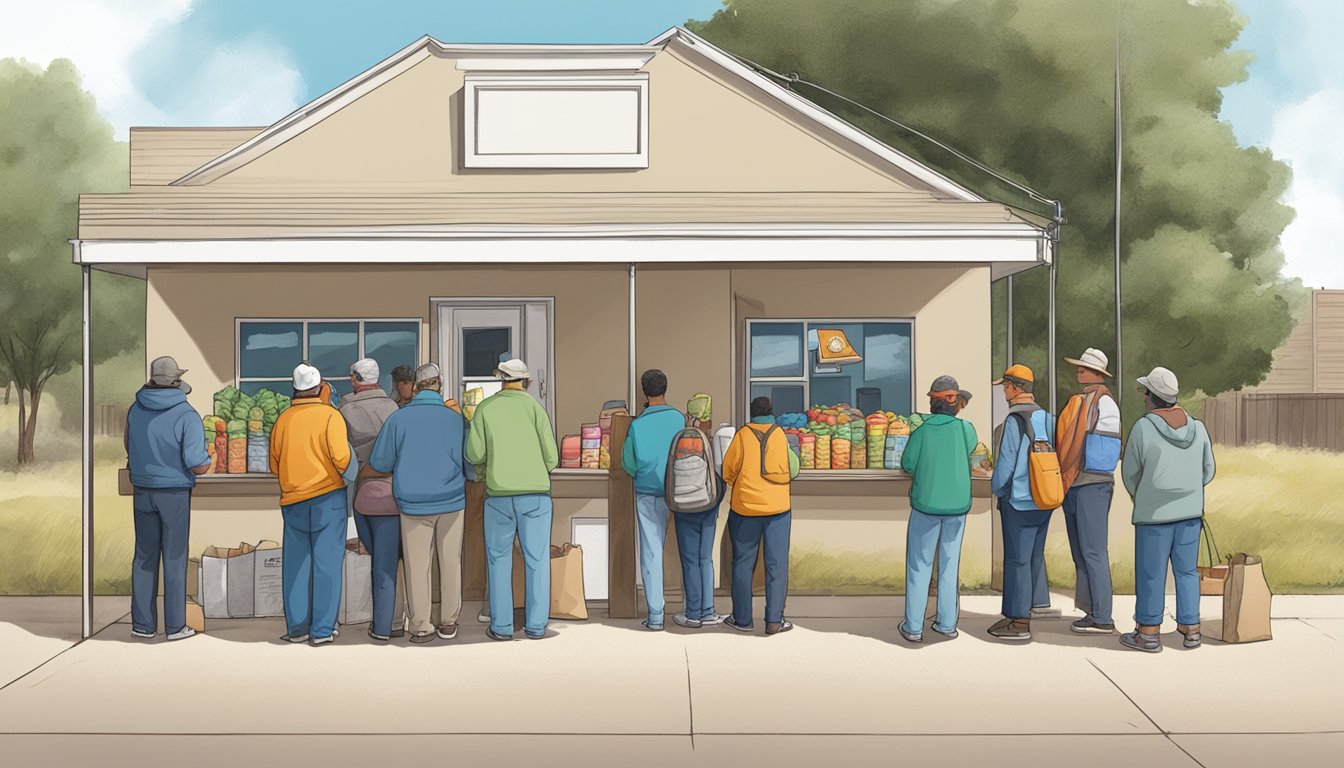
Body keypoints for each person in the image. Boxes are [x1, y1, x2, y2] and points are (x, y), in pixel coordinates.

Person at [369, 363, 474, 644]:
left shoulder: (399, 419)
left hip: (413, 503)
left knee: (417, 566)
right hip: (451, 500)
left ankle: (420, 626)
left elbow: (380, 461)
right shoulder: (456, 420)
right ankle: (449, 622)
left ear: (416, 386)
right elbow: (471, 462)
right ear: (440, 383)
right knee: (450, 562)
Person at [1121, 367, 1216, 653]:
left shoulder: (1142, 428)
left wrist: (1145, 495)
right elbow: (1208, 470)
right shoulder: (1198, 428)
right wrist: (1189, 490)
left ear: (1150, 397)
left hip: (1154, 515)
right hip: (1190, 513)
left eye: (1145, 392)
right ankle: (1191, 628)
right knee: (1187, 571)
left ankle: (1148, 632)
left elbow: (1130, 473)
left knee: (1152, 573)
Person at [466, 358, 559, 641]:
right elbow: (552, 458)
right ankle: (536, 626)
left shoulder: (486, 409)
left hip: (499, 496)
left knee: (498, 560)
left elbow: (474, 455)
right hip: (535, 497)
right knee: (537, 561)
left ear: (500, 379)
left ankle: (502, 627)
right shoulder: (535, 408)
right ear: (526, 382)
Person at [124, 356, 211, 641]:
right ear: (176, 382)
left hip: (142, 491)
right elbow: (197, 462)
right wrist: (210, 459)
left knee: (144, 557)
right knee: (174, 558)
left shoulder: (135, 410)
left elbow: (128, 445)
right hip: (174, 493)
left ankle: (143, 625)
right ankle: (175, 627)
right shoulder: (187, 415)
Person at [269, 363, 351, 646]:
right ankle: (322, 630)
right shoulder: (331, 416)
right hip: (328, 498)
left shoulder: (283, 419)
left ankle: (297, 629)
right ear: (320, 387)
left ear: (295, 389)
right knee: (326, 565)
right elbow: (342, 459)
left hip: (293, 500)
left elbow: (273, 464)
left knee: (296, 566)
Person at [898, 376, 979, 643]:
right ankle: (946, 625)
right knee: (949, 566)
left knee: (919, 566)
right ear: (954, 405)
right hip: (957, 506)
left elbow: (908, 465)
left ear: (933, 403)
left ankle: (913, 627)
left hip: (926, 505)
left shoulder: (920, 432)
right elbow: (971, 453)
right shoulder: (966, 429)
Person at [987, 364, 1056, 642]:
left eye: (1005, 386)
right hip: (1045, 497)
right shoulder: (1047, 418)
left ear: (1015, 388)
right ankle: (1035, 604)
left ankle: (1018, 621)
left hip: (1019, 499)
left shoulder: (1014, 421)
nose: (1003, 391)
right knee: (1033, 556)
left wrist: (996, 488)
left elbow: (1005, 466)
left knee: (1016, 559)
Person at [721, 396, 800, 635]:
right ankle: (774, 621)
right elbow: (794, 469)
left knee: (743, 564)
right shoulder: (780, 435)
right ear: (771, 412)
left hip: (746, 508)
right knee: (777, 565)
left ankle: (743, 619)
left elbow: (728, 471)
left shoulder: (742, 436)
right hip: (778, 509)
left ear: (752, 413)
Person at [1056, 348, 1122, 635]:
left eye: (1083, 369)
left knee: (1093, 551)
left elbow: (1079, 444)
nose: (1078, 372)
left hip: (1090, 483)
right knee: (1082, 552)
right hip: (1084, 483)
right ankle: (1091, 611)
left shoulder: (1099, 403)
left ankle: (1103, 616)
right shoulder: (1090, 401)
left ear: (1096, 374)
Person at [621, 370, 693, 630]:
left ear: (644, 391)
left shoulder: (637, 425)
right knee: (689, 550)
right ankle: (693, 607)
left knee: (652, 552)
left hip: (648, 493)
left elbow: (627, 464)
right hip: (681, 491)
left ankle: (655, 617)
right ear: (666, 387)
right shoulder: (679, 419)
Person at [338, 358, 404, 641]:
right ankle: (388, 624)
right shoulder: (393, 408)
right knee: (389, 565)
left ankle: (379, 625)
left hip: (361, 494)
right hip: (393, 494)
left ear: (355, 379)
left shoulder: (345, 409)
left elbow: (342, 454)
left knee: (375, 560)